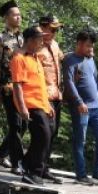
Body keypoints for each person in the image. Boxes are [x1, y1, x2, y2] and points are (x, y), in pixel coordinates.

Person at [63, 29, 98, 185]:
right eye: (88, 46)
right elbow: (69, 82)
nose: (91, 49)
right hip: (81, 107)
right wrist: (78, 102)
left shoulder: (90, 59)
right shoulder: (70, 60)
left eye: (92, 46)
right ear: (79, 43)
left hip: (96, 107)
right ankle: (81, 174)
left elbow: (96, 80)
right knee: (80, 140)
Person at [10, 27, 59, 186]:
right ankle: (33, 172)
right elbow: (17, 86)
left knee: (48, 134)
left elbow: (41, 85)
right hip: (30, 103)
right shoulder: (19, 58)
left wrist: (48, 105)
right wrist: (22, 107)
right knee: (43, 135)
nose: (42, 42)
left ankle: (30, 164)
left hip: (42, 104)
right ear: (30, 40)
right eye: (39, 39)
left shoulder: (35, 58)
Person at [0, 0, 25, 171]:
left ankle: (0, 153)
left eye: (20, 15)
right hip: (8, 87)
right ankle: (16, 162)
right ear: (6, 17)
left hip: (24, 88)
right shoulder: (0, 38)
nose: (18, 17)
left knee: (24, 124)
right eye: (15, 15)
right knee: (15, 124)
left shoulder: (24, 37)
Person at [37, 15, 65, 147]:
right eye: (52, 29)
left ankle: (43, 165)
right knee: (46, 131)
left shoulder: (55, 45)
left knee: (53, 132)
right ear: (42, 27)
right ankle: (30, 163)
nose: (54, 33)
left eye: (56, 30)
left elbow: (62, 58)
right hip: (43, 95)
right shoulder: (35, 46)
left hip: (57, 94)